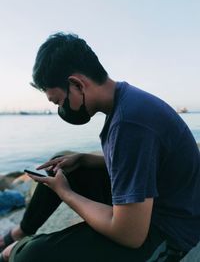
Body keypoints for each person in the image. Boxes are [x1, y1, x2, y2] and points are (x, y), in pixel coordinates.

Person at [0, 32, 200, 262]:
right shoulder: (124, 102)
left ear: (76, 84)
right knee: (61, 165)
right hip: (158, 200)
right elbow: (141, 163)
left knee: (29, 256)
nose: (61, 110)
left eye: (59, 101)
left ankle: (15, 248)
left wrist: (65, 193)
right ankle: (21, 231)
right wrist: (85, 159)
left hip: (167, 232)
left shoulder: (130, 123)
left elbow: (131, 235)